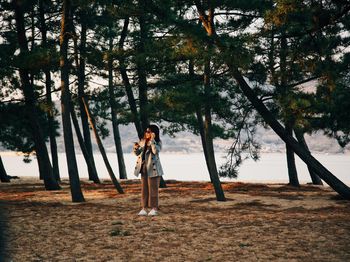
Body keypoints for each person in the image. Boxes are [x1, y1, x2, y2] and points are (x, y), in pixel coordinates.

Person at [133, 124, 164, 216]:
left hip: (153, 169)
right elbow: (137, 153)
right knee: (144, 190)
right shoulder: (142, 141)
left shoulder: (157, 142)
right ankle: (144, 208)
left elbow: (155, 151)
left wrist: (152, 141)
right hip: (143, 168)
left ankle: (154, 208)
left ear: (154, 133)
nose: (147, 133)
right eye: (146, 131)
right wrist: (135, 148)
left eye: (149, 131)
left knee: (153, 190)